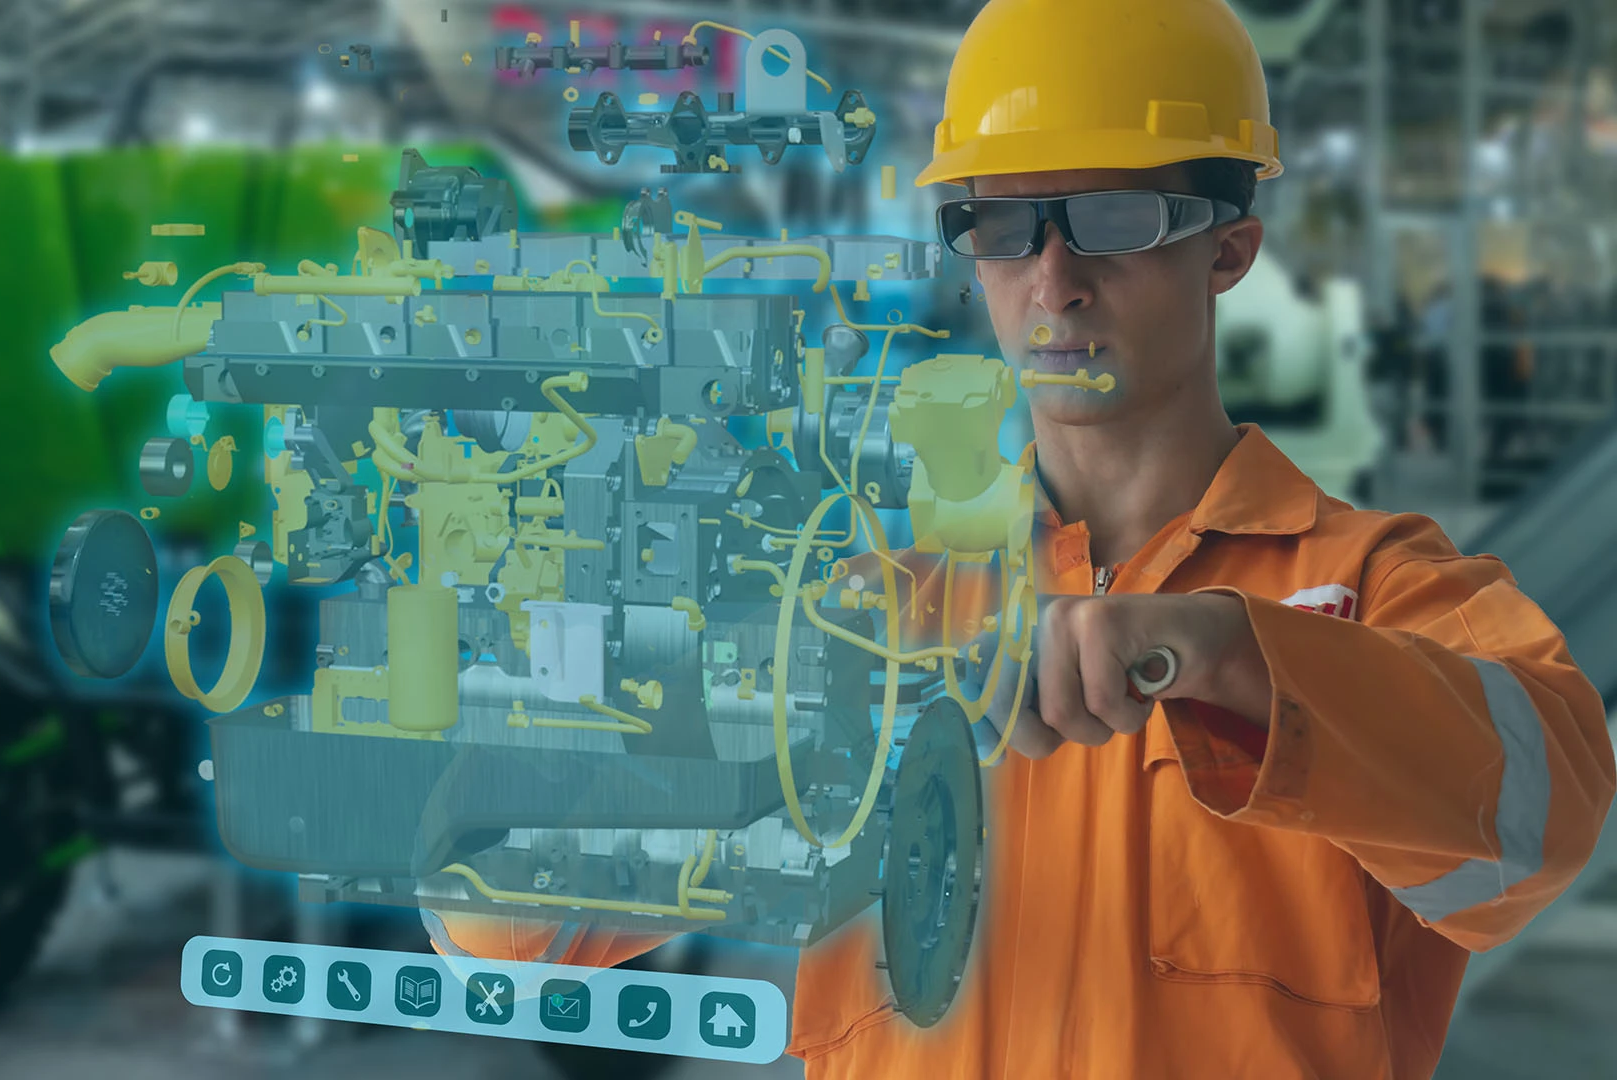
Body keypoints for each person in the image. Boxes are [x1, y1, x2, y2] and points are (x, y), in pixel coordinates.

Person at [426, 1, 1615, 1076]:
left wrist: (1233, 656)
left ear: (1229, 250)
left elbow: (1549, 824)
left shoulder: (1373, 588)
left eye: (1111, 215)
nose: (1052, 279)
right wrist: (666, 689)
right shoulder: (860, 618)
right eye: (999, 224)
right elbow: (501, 932)